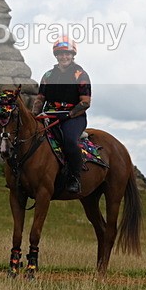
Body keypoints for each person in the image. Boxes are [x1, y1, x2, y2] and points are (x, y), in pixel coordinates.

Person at [31, 37, 92, 194]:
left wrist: (69, 115)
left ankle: (74, 177)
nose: (64, 57)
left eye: (67, 54)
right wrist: (33, 116)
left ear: (73, 55)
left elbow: (85, 102)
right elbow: (40, 99)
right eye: (60, 54)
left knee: (70, 141)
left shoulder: (81, 75)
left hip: (74, 117)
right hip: (49, 115)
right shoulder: (48, 75)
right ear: (56, 55)